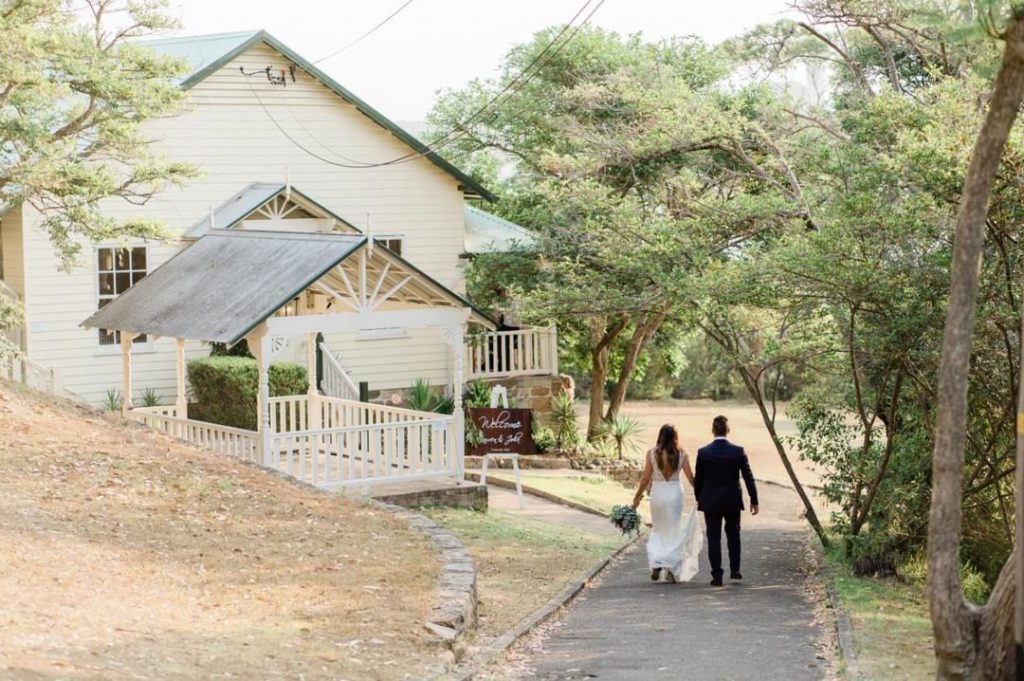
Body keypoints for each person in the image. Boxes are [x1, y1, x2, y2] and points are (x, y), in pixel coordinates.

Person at [632, 424, 703, 583]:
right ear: (675, 437)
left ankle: (658, 562)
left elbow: (645, 478)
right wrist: (701, 493)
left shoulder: (651, 453)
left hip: (658, 494)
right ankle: (670, 567)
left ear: (660, 436)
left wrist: (637, 497)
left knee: (658, 528)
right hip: (675, 493)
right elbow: (691, 478)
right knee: (673, 530)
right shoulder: (682, 454)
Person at [694, 415, 759, 587]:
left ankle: (717, 575)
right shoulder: (737, 451)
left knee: (713, 537)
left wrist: (699, 499)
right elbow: (748, 477)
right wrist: (754, 499)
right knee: (734, 533)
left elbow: (698, 480)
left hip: (711, 501)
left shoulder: (703, 452)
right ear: (728, 430)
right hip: (731, 500)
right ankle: (735, 570)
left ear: (713, 430)